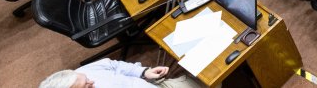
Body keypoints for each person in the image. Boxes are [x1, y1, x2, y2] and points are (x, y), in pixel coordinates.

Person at [39, 60, 205, 88]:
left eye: (87, 80)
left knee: (210, 74)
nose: (92, 83)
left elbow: (114, 66)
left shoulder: (82, 73)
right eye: (86, 87)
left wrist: (144, 72)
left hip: (160, 86)